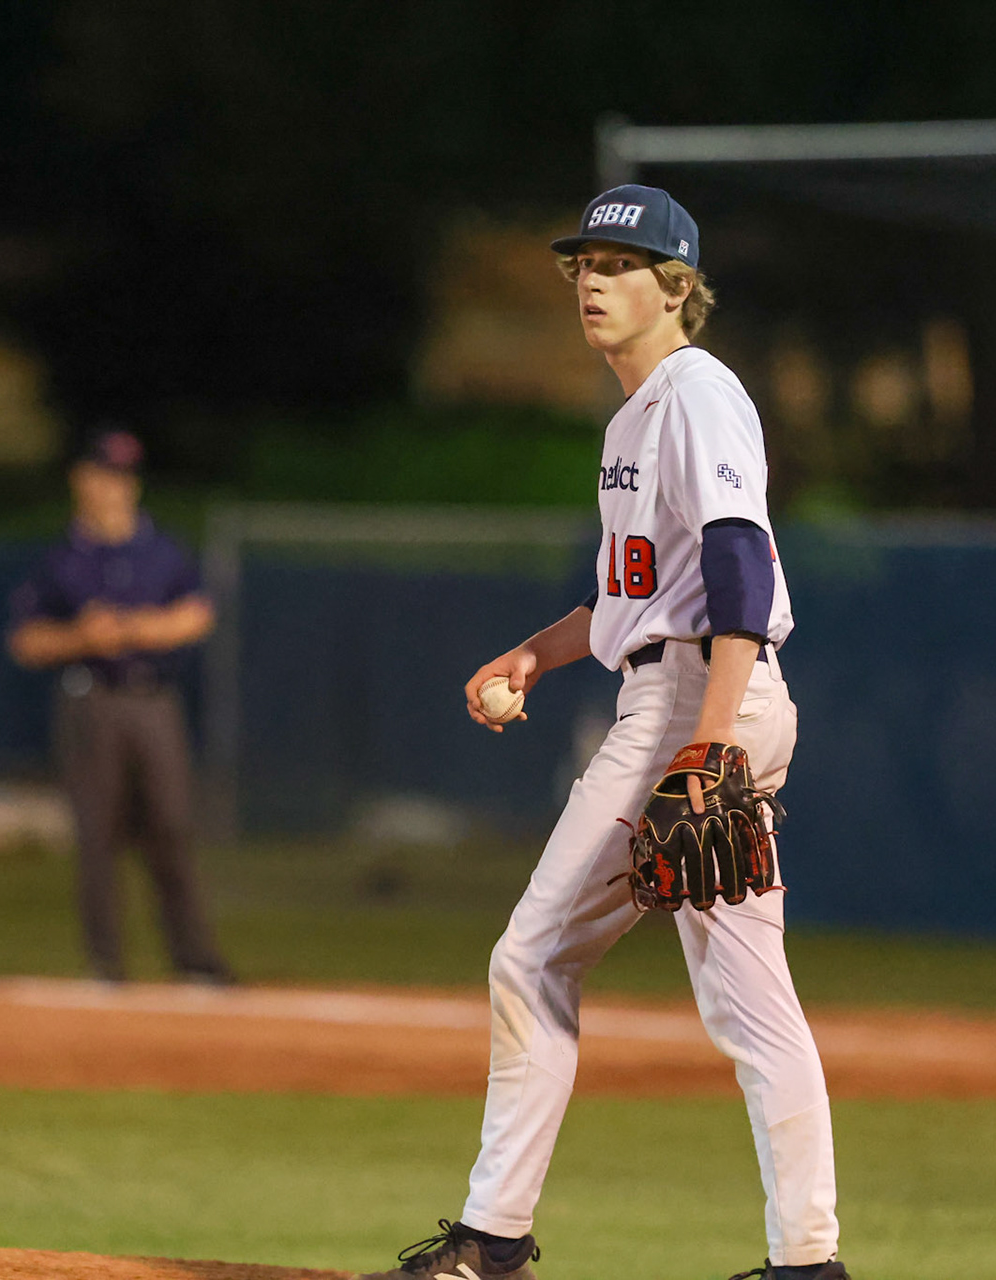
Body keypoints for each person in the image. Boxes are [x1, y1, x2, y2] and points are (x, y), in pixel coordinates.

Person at [359, 187, 847, 1280]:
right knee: (750, 999)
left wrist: (709, 742)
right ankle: (809, 1262)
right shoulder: (636, 419)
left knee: (532, 956)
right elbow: (634, 602)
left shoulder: (695, 391)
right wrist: (535, 652)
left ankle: (492, 1240)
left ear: (677, 286)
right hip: (693, 688)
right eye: (583, 262)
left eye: (620, 264)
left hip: (696, 705)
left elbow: (737, 565)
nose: (592, 280)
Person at [7, 428, 232, 985]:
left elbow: (198, 613)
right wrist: (82, 638)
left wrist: (134, 628)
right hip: (91, 700)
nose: (115, 488)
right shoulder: (61, 558)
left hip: (153, 700)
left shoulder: (160, 549)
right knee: (97, 835)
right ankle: (106, 964)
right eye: (105, 474)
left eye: (124, 477)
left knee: (172, 828)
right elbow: (25, 641)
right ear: (81, 479)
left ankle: (195, 961)